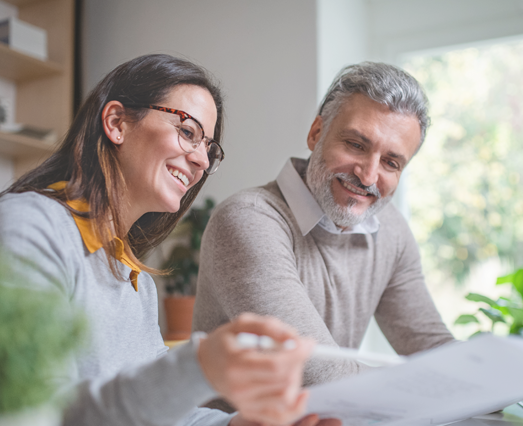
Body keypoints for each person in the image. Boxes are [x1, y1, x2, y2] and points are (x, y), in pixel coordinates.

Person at [0, 54, 340, 426]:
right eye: (188, 131)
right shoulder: (27, 229)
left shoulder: (134, 280)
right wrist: (197, 366)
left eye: (209, 148)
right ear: (116, 123)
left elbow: (154, 424)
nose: (202, 161)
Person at [192, 62, 455, 401]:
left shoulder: (390, 231)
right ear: (316, 132)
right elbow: (320, 376)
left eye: (391, 162)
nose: (369, 175)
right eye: (356, 145)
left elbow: (433, 348)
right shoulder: (249, 219)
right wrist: (443, 384)